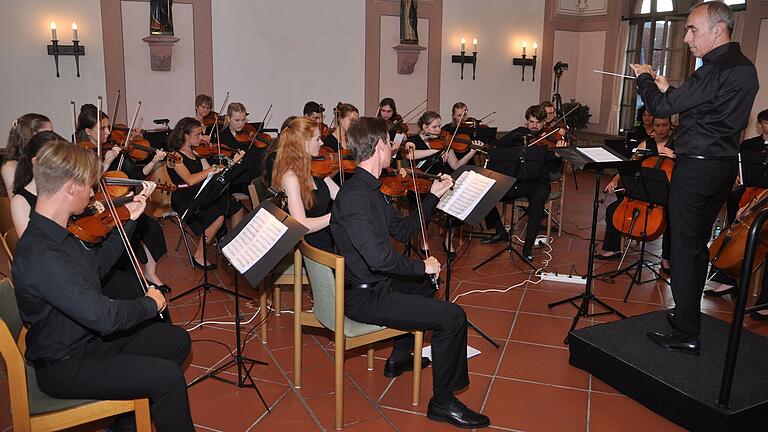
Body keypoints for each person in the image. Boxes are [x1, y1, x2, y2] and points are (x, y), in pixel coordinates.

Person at [12, 141, 193, 431]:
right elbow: (104, 318)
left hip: (87, 343)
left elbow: (95, 267)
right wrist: (149, 303)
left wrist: (131, 220)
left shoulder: (58, 232)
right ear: (71, 188)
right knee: (168, 378)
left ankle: (126, 423)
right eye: (90, 186)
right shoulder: (41, 254)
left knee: (175, 341)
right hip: (65, 365)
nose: (94, 193)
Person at [330, 116, 490, 429]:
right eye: (389, 143)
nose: (393, 148)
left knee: (427, 284)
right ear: (379, 147)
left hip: (375, 286)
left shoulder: (369, 190)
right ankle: (442, 401)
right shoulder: (354, 199)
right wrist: (421, 265)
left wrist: (433, 196)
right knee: (453, 316)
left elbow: (403, 231)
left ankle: (400, 355)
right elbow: (379, 259)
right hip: (364, 297)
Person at [632, 0, 758, 354]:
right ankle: (688, 314)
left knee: (684, 250)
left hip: (697, 168)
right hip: (720, 166)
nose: (687, 37)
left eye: (692, 29)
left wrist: (643, 77)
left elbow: (660, 108)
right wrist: (670, 88)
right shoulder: (743, 67)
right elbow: (704, 111)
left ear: (718, 29)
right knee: (696, 245)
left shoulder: (715, 68)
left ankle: (687, 332)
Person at [76, 105, 172, 292]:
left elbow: (135, 174)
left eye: (108, 127)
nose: (108, 132)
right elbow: (87, 185)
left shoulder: (112, 148)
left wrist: (153, 161)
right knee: (124, 239)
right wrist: (107, 162)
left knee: (151, 228)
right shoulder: (82, 154)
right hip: (97, 209)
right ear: (88, 131)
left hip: (119, 203)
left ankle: (150, 273)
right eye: (102, 129)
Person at [482, 105, 560, 262]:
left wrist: (557, 155)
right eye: (531, 122)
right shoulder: (518, 134)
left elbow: (554, 168)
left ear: (544, 122)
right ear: (527, 121)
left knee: (537, 205)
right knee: (487, 195)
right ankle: (500, 232)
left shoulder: (549, 140)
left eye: (538, 122)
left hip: (539, 183)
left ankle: (528, 247)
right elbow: (497, 147)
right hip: (517, 181)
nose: (534, 126)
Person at [598, 116, 675, 272]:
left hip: (665, 196)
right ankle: (613, 249)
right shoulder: (645, 144)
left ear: (670, 126)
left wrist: (675, 157)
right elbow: (629, 166)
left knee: (673, 219)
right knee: (612, 209)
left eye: (665, 125)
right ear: (652, 127)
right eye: (658, 125)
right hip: (642, 193)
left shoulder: (678, 146)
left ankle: (666, 258)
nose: (661, 129)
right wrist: (615, 179)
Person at [167, 117, 245, 269]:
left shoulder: (196, 153)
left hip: (202, 193)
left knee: (236, 207)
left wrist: (232, 163)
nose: (202, 137)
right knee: (218, 217)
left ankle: (232, 246)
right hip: (185, 197)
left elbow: (213, 175)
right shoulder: (174, 157)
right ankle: (199, 255)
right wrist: (212, 169)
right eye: (198, 134)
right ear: (186, 136)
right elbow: (190, 180)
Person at [272, 117, 338, 252]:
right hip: (310, 247)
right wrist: (336, 215)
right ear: (303, 143)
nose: (321, 142)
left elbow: (340, 195)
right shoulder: (290, 178)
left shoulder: (315, 169)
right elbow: (301, 224)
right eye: (317, 139)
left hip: (326, 237)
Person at [2, 113, 52, 198]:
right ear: (31, 136)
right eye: (46, 134)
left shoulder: (45, 159)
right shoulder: (10, 167)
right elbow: (17, 200)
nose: (51, 138)